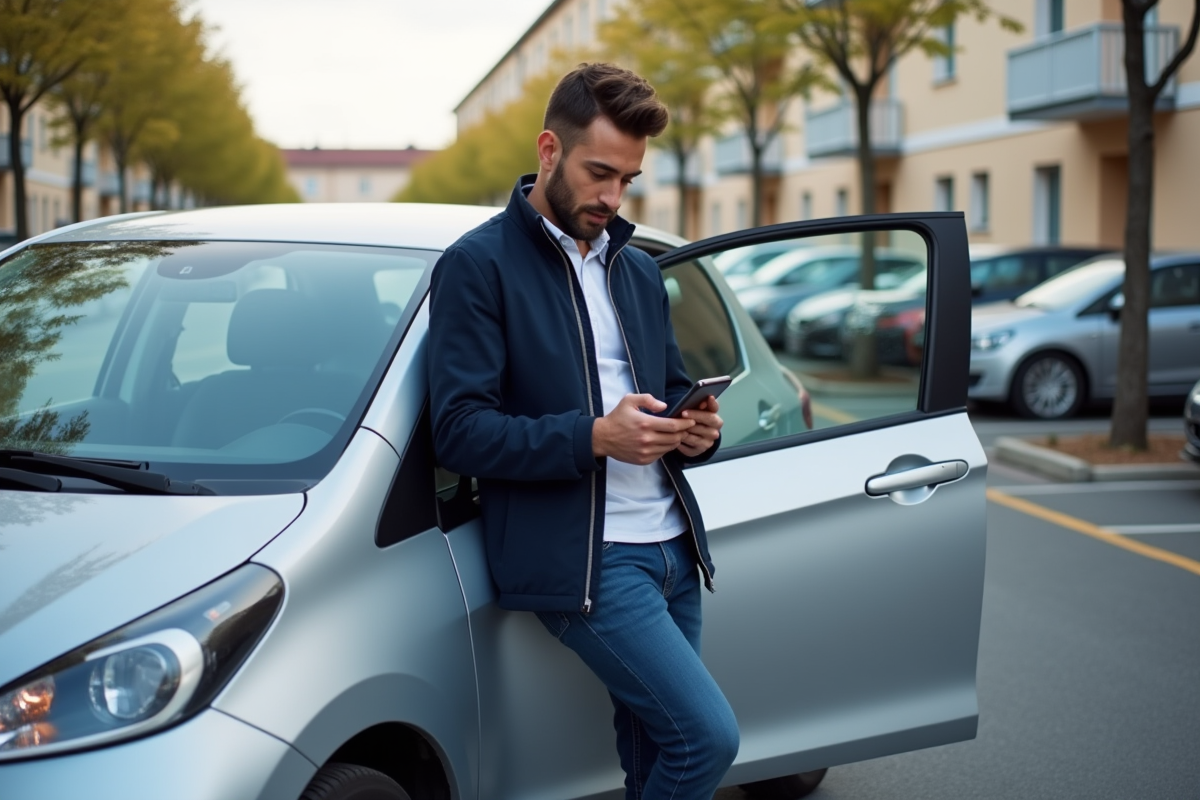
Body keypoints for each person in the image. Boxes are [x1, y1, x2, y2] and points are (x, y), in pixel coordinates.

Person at [428, 62, 739, 800]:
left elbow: (663, 393)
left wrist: (697, 431)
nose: (612, 196)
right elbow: (461, 432)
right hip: (590, 563)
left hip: (671, 548)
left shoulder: (635, 272)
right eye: (599, 172)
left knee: (654, 754)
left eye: (628, 180)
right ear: (547, 151)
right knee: (706, 739)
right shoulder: (477, 266)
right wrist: (594, 437)